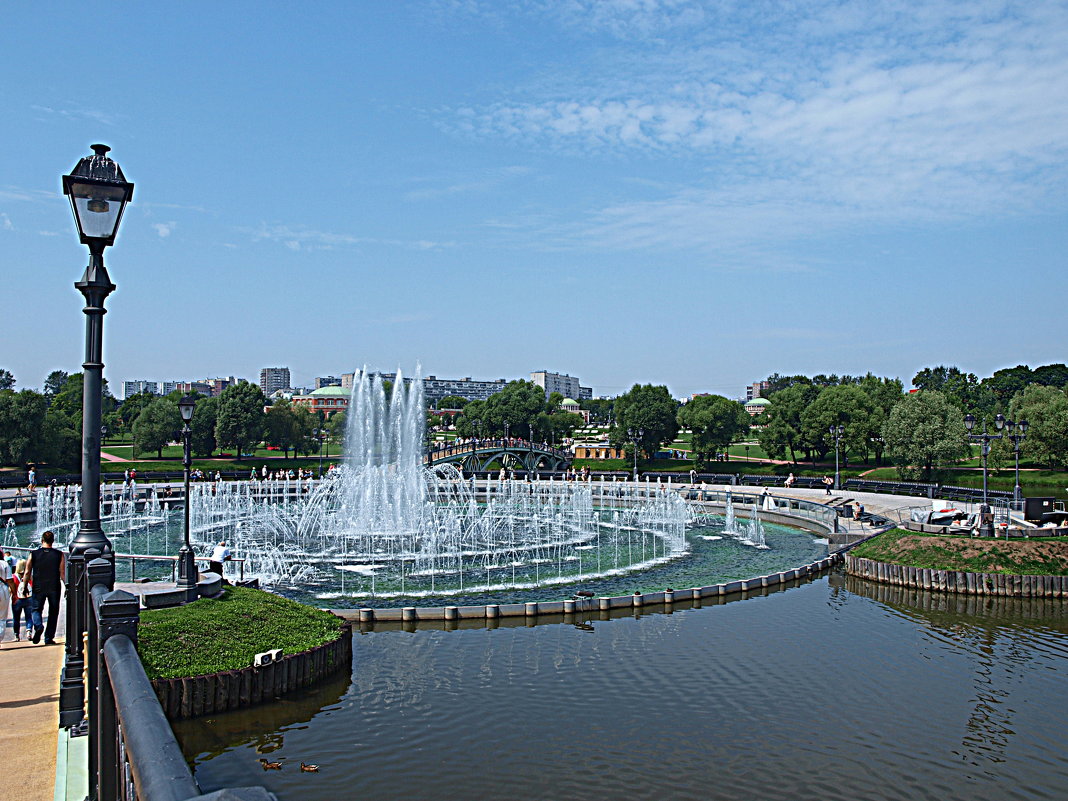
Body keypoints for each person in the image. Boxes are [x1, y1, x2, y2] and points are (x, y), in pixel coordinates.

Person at [25, 530, 64, 645]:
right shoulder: (59, 554)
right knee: (53, 611)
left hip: (38, 586)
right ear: (53, 541)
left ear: (42, 540)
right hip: (54, 587)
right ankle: (48, 638)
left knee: (36, 609)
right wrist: (67, 586)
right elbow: (62, 573)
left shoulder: (33, 554)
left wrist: (24, 585)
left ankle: (38, 626)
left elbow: (27, 572)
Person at [11, 558, 35, 641]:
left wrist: (13, 596)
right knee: (29, 617)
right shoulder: (29, 576)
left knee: (16, 618)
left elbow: (12, 587)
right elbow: (33, 586)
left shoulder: (14, 576)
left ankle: (16, 635)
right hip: (29, 598)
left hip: (17, 599)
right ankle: (29, 631)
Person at [0, 548, 14, 646]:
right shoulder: (4, 564)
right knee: (1, 617)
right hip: (2, 589)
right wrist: (15, 593)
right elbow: (9, 580)